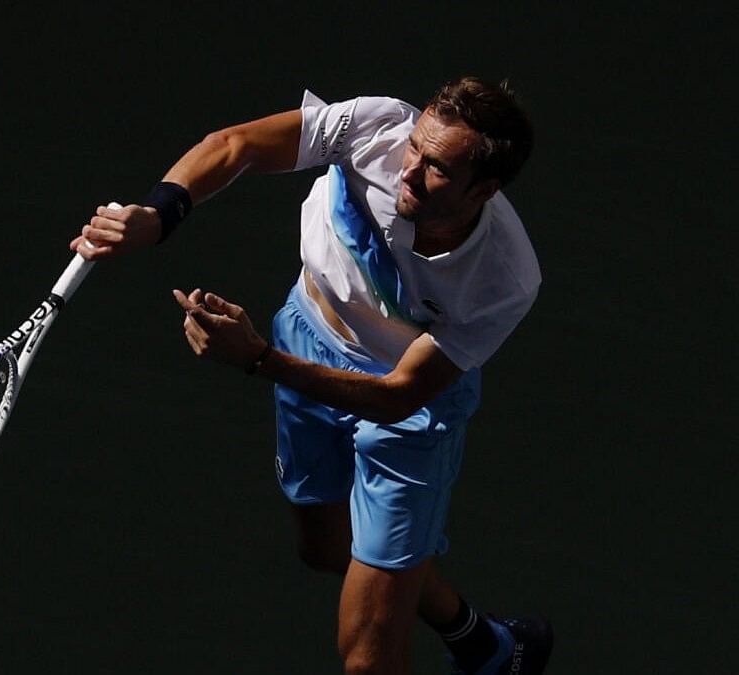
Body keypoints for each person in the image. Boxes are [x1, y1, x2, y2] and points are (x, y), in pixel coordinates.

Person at [69, 77, 552, 674]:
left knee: (367, 661)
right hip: (307, 339)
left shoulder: (504, 278)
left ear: (485, 189)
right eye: (415, 149)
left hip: (409, 414)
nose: (409, 168)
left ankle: (466, 631)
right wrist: (159, 215)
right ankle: (486, 644)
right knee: (326, 549)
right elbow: (237, 144)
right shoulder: (378, 127)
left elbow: (399, 396)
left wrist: (255, 359)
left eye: (437, 169)